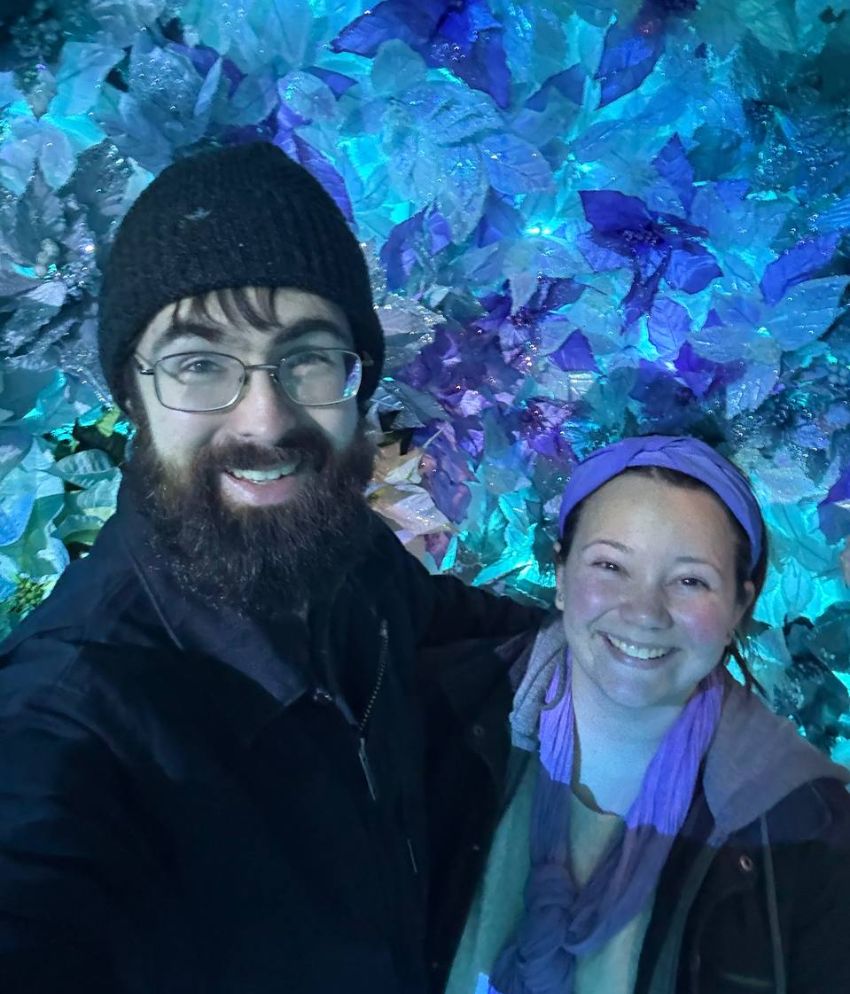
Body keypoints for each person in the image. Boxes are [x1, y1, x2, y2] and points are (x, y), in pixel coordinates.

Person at [0, 142, 539, 994]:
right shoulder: (70, 724)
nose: (265, 419)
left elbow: (468, 626)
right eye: (199, 363)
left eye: (308, 358)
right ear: (132, 394)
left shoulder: (346, 557)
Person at [446, 435, 850, 994]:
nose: (644, 612)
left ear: (739, 606)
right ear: (561, 578)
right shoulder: (438, 713)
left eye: (690, 581)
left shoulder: (809, 831)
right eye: (611, 565)